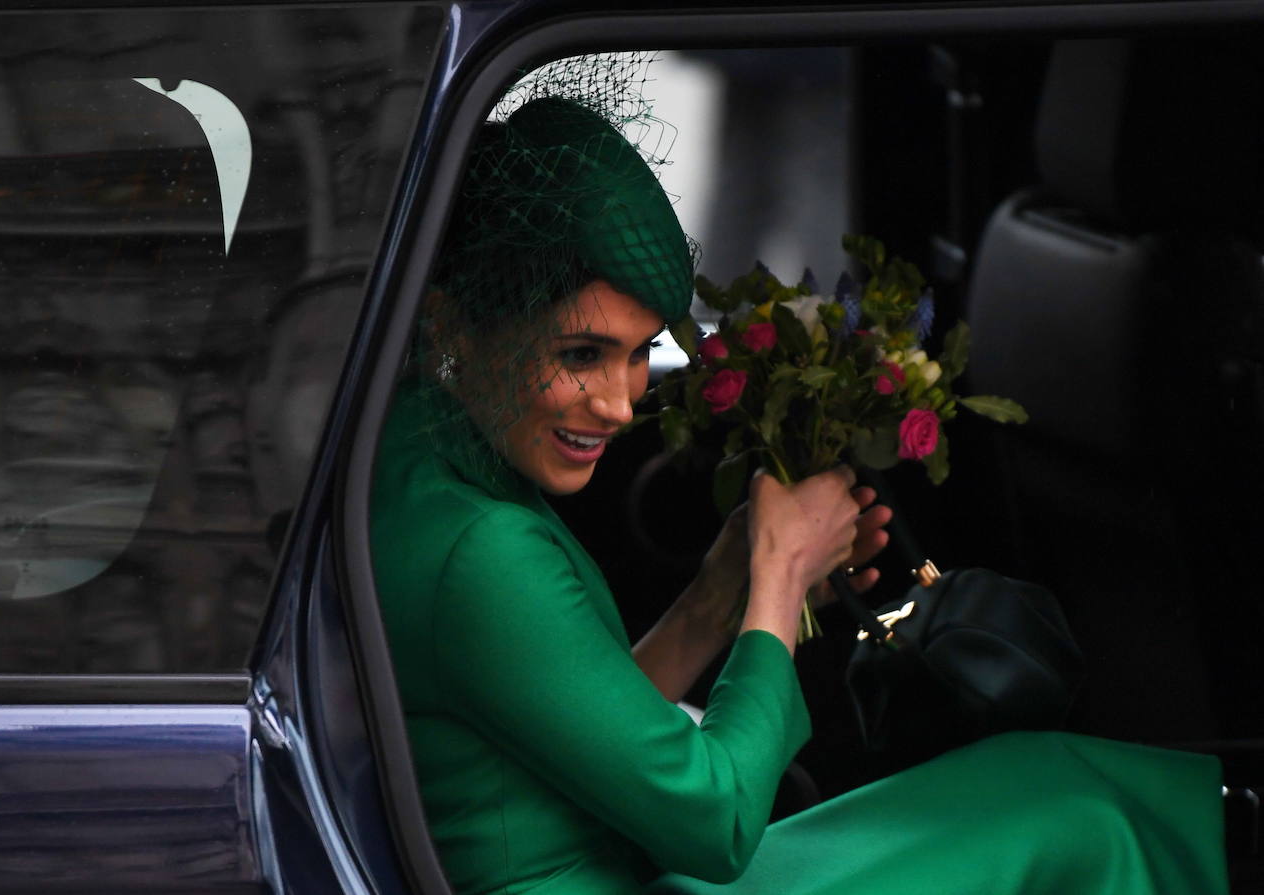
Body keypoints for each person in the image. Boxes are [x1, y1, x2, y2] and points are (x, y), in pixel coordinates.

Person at [369, 90, 1227, 895]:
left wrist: (720, 591)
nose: (623, 401)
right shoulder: (480, 550)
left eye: (638, 353)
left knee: (1049, 776)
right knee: (1085, 820)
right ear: (452, 325)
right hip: (650, 866)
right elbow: (715, 820)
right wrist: (778, 579)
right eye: (581, 354)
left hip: (627, 858)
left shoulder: (423, 462)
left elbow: (576, 722)